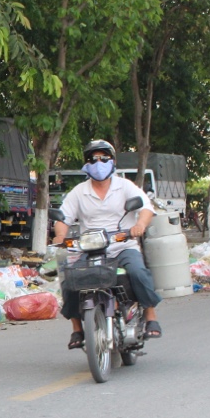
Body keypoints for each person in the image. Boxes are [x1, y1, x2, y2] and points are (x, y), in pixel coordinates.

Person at [51, 139, 163, 349]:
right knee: (70, 279)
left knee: (138, 272)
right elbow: (62, 218)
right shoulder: (79, 192)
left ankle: (150, 315)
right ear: (86, 163)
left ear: (112, 161)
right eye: (93, 159)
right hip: (90, 248)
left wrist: (139, 224)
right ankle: (77, 329)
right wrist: (60, 236)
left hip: (123, 245)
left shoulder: (124, 186)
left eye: (104, 158)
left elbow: (146, 208)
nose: (98, 162)